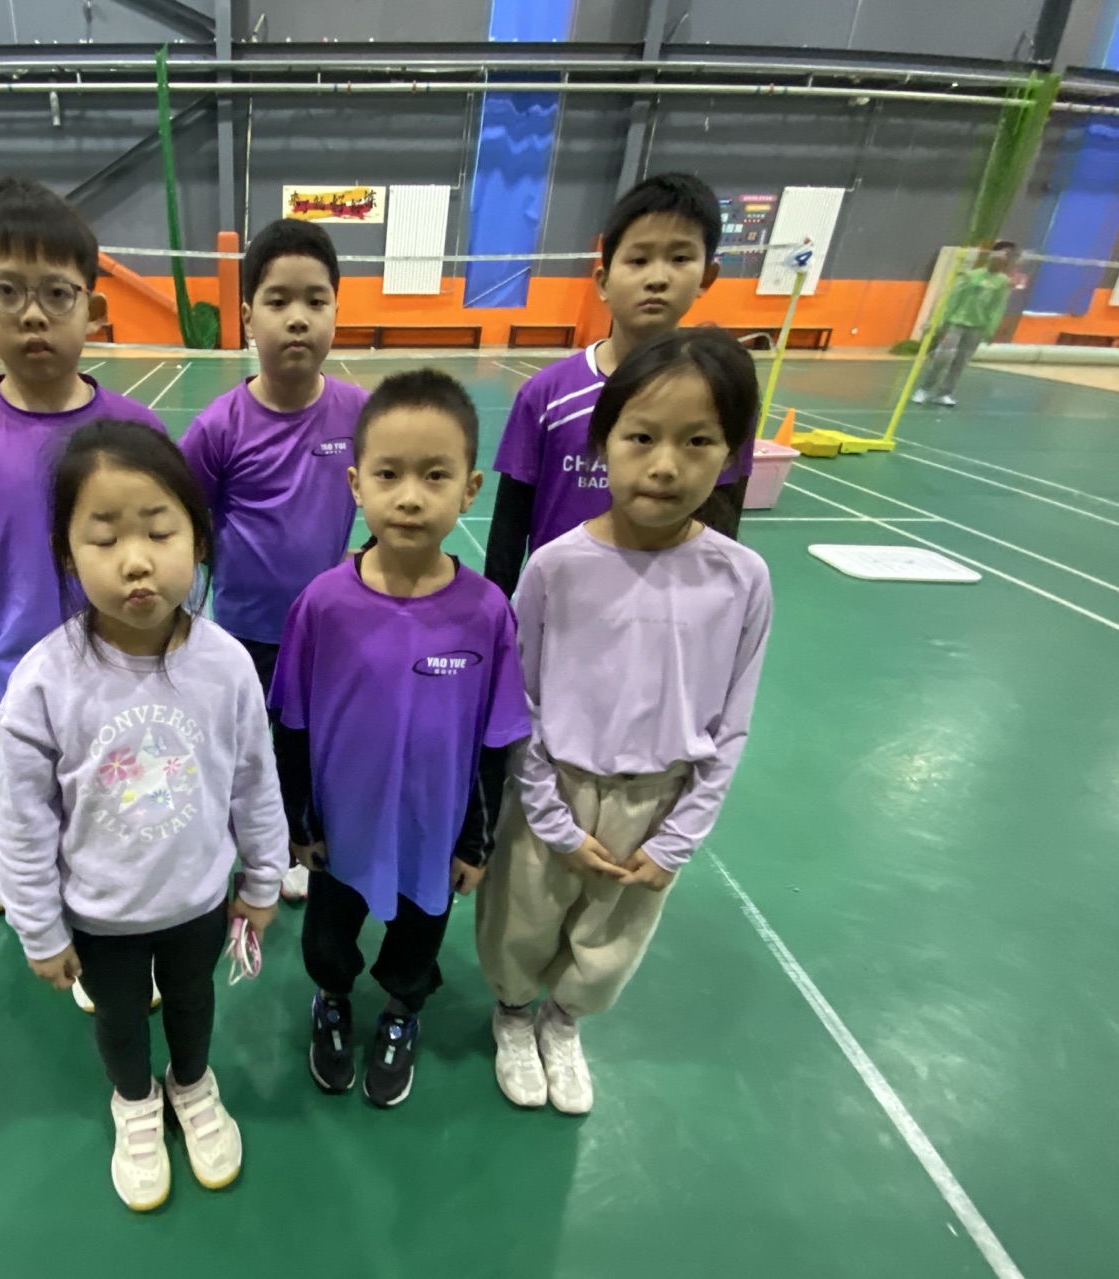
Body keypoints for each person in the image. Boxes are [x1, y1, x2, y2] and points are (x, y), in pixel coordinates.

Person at [0, 419, 286, 1212]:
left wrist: (262, 878)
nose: (135, 559)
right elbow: (21, 819)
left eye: (160, 531)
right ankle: (135, 1100)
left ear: (198, 538)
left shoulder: (226, 664)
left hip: (198, 902)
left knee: (193, 1000)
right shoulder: (45, 681)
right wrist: (39, 926)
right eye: (104, 537)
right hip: (101, 915)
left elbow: (255, 781)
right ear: (65, 552)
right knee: (121, 1019)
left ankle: (191, 1081)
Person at [477, 328, 772, 1115]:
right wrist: (548, 813)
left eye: (697, 440)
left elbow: (732, 721)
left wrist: (678, 837)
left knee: (609, 941)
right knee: (520, 923)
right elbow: (520, 701)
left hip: (658, 801)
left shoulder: (742, 579)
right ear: (602, 443)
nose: (666, 464)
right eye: (641, 437)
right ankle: (513, 1014)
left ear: (732, 454)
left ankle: (563, 1020)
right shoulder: (555, 567)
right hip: (553, 791)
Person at [271, 370, 532, 1109]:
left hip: (431, 834)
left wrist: (475, 842)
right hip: (339, 833)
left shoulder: (488, 612)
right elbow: (291, 723)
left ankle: (401, 1011)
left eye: (435, 475)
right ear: (356, 483)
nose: (410, 496)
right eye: (388, 474)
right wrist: (300, 825)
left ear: (471, 489)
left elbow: (495, 741)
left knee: (417, 942)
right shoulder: (322, 604)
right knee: (329, 939)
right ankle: (331, 999)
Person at [0, 176, 164, 918]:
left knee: (124, 824)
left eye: (57, 294)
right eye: (8, 291)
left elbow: (173, 562)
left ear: (92, 307)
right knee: (32, 828)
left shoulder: (137, 430)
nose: (33, 314)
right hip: (19, 696)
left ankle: (120, 931)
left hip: (126, 686)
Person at [179, 218, 367, 904]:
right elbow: (186, 530)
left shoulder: (359, 412)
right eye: (278, 301)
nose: (298, 318)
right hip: (244, 633)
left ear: (336, 311)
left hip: (324, 632)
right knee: (241, 748)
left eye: (316, 301)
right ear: (248, 315)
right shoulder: (217, 427)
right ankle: (237, 842)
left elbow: (386, 497)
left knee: (308, 743)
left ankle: (294, 839)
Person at [484, 172, 752, 600]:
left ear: (707, 276)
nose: (657, 278)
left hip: (667, 606)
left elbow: (723, 515)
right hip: (561, 605)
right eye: (638, 260)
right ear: (604, 281)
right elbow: (510, 523)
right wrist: (499, 611)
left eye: (679, 258)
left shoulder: (722, 396)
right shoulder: (547, 394)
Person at [913, 240, 1017, 408]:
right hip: (957, 323)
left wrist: (990, 330)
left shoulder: (1003, 282)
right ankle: (924, 389)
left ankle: (944, 393)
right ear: (991, 256)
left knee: (960, 362)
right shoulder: (971, 275)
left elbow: (997, 307)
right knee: (942, 357)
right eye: (999, 254)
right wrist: (938, 322)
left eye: (1006, 256)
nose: (1002, 259)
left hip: (977, 327)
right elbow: (951, 300)